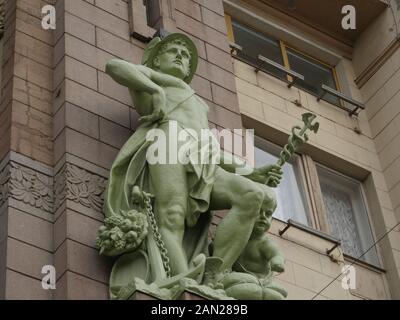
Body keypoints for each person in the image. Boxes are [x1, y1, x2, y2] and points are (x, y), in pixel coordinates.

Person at [103, 33, 283, 283]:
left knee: (252, 194)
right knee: (172, 214)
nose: (180, 55)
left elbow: (210, 148)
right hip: (167, 144)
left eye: (185, 54)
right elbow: (114, 66)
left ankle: (215, 275)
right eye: (173, 50)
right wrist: (153, 87)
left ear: (188, 69)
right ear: (155, 62)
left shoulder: (200, 104)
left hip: (201, 156)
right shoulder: (157, 78)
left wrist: (250, 171)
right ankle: (181, 279)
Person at [222, 184, 287, 299]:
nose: (263, 217)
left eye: (268, 214)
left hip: (262, 283)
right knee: (230, 280)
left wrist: (277, 261)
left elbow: (277, 254)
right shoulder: (234, 236)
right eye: (258, 212)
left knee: (276, 293)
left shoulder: (264, 242)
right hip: (238, 280)